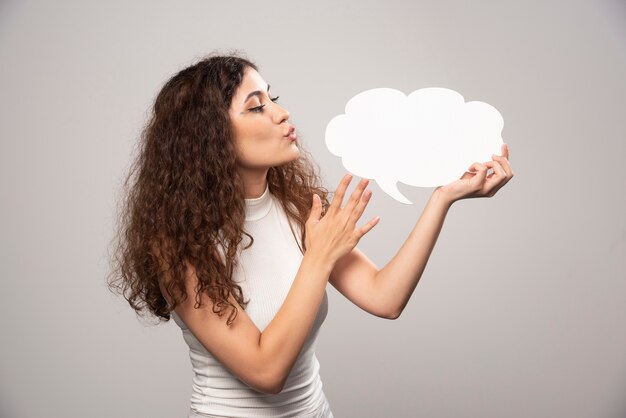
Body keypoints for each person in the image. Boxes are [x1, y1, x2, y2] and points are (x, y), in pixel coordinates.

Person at [107, 52, 514, 418]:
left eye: (273, 98)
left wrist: (443, 198)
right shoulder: (177, 247)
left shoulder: (298, 208)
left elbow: (385, 298)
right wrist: (318, 257)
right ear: (210, 139)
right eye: (256, 108)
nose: (281, 114)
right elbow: (266, 371)